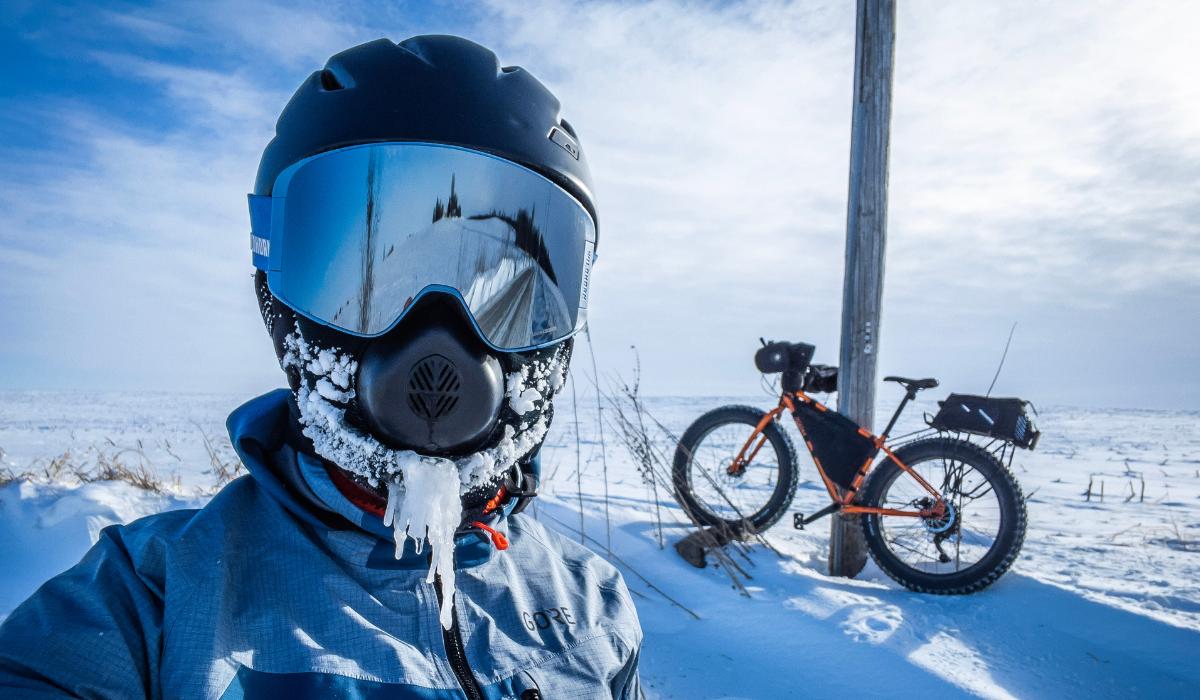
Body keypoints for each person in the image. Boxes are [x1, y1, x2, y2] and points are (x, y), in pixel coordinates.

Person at [0, 36, 641, 699]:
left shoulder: (595, 606)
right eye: (373, 285)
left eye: (500, 296)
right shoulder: (151, 600)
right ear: (281, 305)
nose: (438, 337)